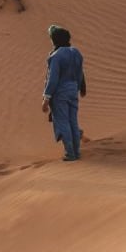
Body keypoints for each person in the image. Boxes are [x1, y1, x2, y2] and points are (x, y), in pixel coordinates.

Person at [41, 25, 86, 161]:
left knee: (63, 121)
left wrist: (46, 98)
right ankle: (76, 152)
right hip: (73, 90)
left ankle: (70, 153)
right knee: (73, 121)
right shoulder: (76, 52)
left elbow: (53, 79)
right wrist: (80, 88)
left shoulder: (56, 56)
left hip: (60, 92)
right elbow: (80, 73)